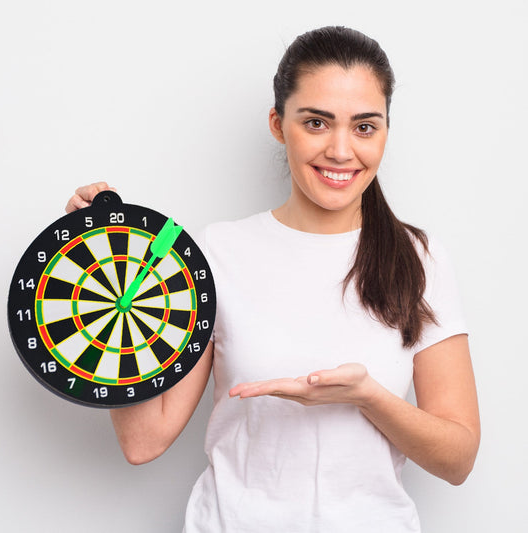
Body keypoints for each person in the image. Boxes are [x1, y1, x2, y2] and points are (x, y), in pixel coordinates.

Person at [66, 26, 480, 533]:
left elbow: (457, 459)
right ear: (278, 123)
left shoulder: (420, 258)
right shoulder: (213, 255)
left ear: (386, 131)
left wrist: (366, 396)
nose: (342, 150)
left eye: (365, 127)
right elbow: (144, 441)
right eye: (317, 122)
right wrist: (104, 268)